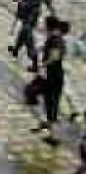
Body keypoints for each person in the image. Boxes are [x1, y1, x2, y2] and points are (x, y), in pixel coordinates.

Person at [9, 0, 55, 72]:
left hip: (29, 14)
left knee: (27, 36)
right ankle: (15, 50)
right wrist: (52, 10)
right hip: (30, 13)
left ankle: (34, 60)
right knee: (24, 32)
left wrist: (18, 0)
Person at [32, 16, 69, 145]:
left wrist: (43, 64)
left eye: (44, 25)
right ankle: (45, 123)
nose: (42, 26)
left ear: (49, 26)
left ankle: (53, 136)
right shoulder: (54, 37)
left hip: (54, 77)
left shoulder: (56, 39)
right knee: (47, 101)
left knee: (52, 103)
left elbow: (55, 56)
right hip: (51, 76)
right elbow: (51, 49)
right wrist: (40, 49)